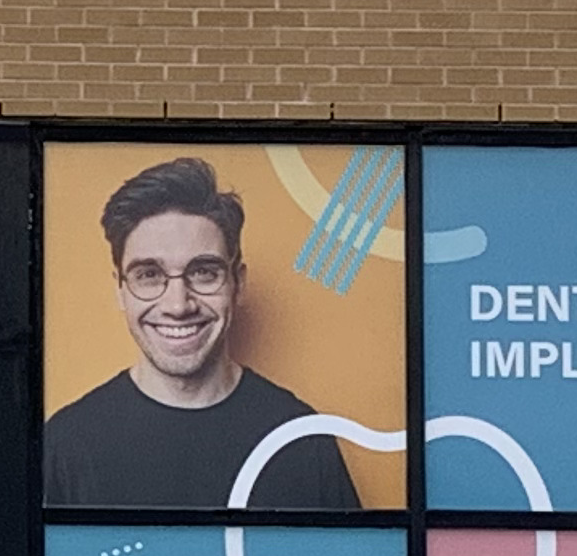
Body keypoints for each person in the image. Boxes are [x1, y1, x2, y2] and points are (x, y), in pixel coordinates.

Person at [42, 156, 360, 511]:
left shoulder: (300, 437)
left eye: (204, 272)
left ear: (237, 283)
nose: (178, 305)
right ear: (120, 288)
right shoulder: (65, 443)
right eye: (148, 275)